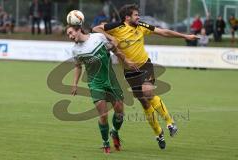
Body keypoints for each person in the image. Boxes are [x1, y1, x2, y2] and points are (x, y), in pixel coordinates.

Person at [93, 4, 199, 149]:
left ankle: (170, 123)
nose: (139, 17)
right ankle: (159, 133)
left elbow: (163, 32)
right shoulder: (117, 27)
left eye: (138, 14)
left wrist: (185, 36)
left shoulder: (141, 26)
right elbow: (96, 28)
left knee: (148, 92)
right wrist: (111, 37)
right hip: (130, 71)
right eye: (136, 15)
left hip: (145, 65)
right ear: (127, 17)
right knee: (144, 103)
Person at [66, 24, 125, 154]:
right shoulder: (76, 50)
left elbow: (113, 47)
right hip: (95, 84)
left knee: (120, 113)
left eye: (71, 33)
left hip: (111, 80)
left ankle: (114, 132)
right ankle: (105, 143)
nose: (70, 36)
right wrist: (74, 84)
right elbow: (78, 66)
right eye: (68, 35)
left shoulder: (98, 37)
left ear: (79, 30)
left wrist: (125, 59)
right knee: (103, 115)